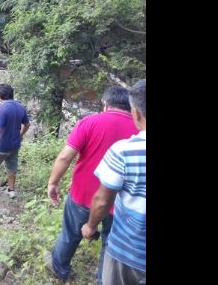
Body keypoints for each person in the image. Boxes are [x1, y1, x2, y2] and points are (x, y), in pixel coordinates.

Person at [44, 86, 139, 284]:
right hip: (118, 202)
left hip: (83, 195)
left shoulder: (90, 122)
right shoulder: (139, 128)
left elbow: (65, 157)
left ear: (105, 104)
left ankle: (59, 268)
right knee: (110, 244)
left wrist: (53, 183)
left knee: (70, 234)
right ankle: (103, 279)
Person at [82, 79, 146, 285]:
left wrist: (90, 227)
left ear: (136, 113)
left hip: (129, 251)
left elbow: (102, 200)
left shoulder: (124, 150)